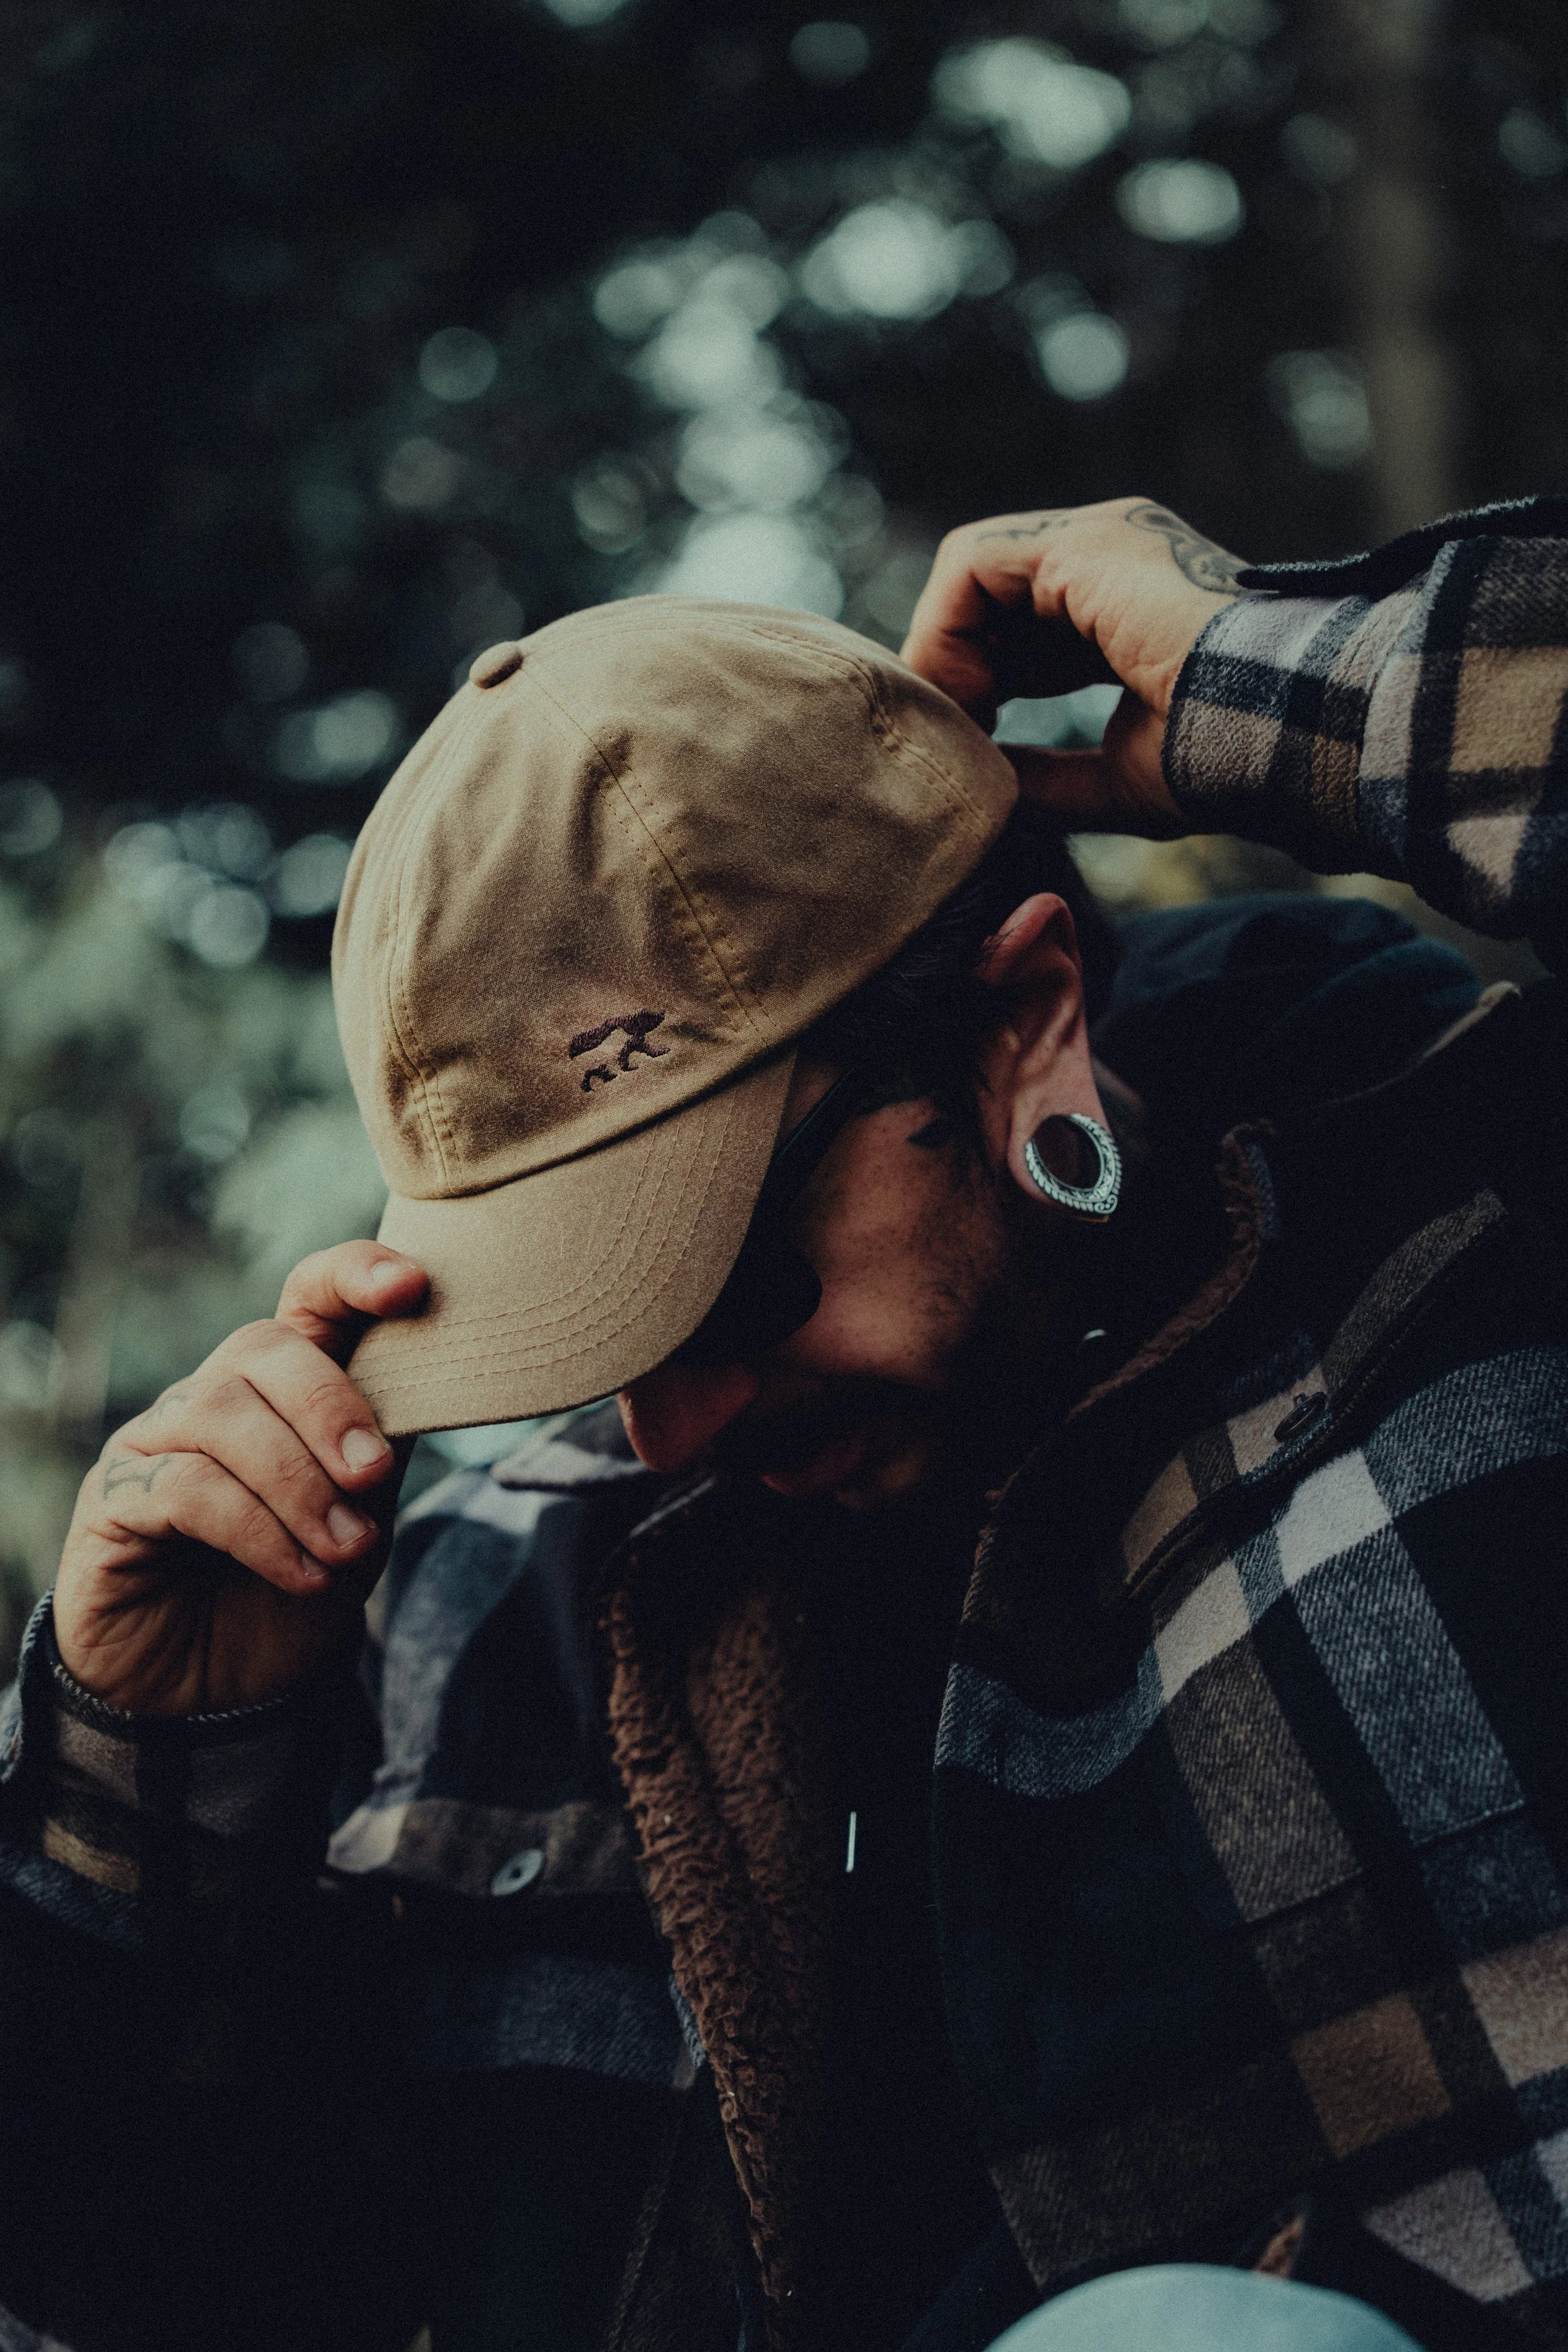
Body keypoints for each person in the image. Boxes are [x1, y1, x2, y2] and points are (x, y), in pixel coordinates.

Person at [0, 492, 1564, 2352]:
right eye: (586, 1322)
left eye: (725, 1283)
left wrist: (1319, 681)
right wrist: (151, 1795)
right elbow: (178, 2287)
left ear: (1028, 1022)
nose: (668, 1426)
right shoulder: (495, 1596)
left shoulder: (1486, 1223)